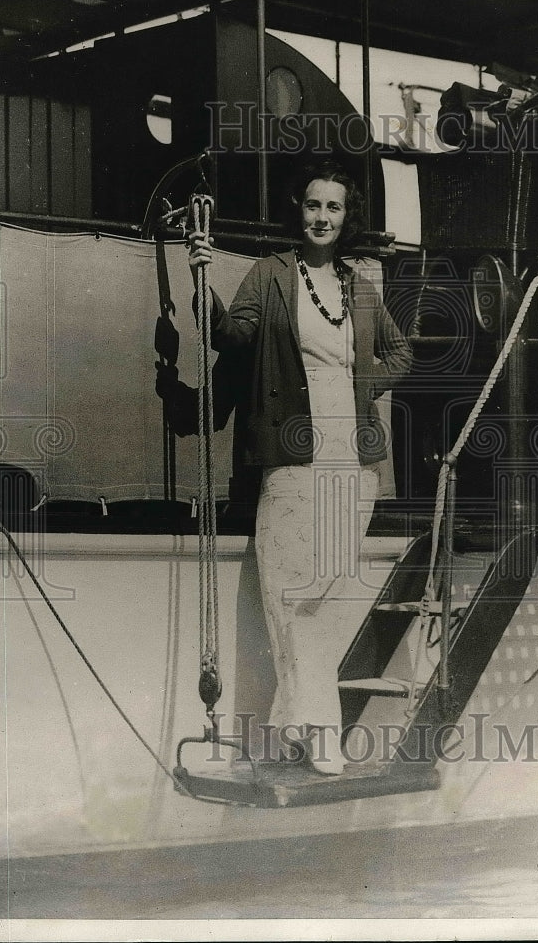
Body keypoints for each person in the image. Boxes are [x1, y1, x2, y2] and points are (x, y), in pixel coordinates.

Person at [188, 160, 412, 775]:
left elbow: (399, 351)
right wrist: (202, 283)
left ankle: (292, 720)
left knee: (324, 597)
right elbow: (232, 337)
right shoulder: (269, 276)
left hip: (355, 462)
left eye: (334, 208)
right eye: (313, 206)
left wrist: (366, 385)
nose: (322, 217)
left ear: (346, 217)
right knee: (292, 599)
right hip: (292, 461)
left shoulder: (360, 287)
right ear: (300, 210)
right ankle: (322, 733)